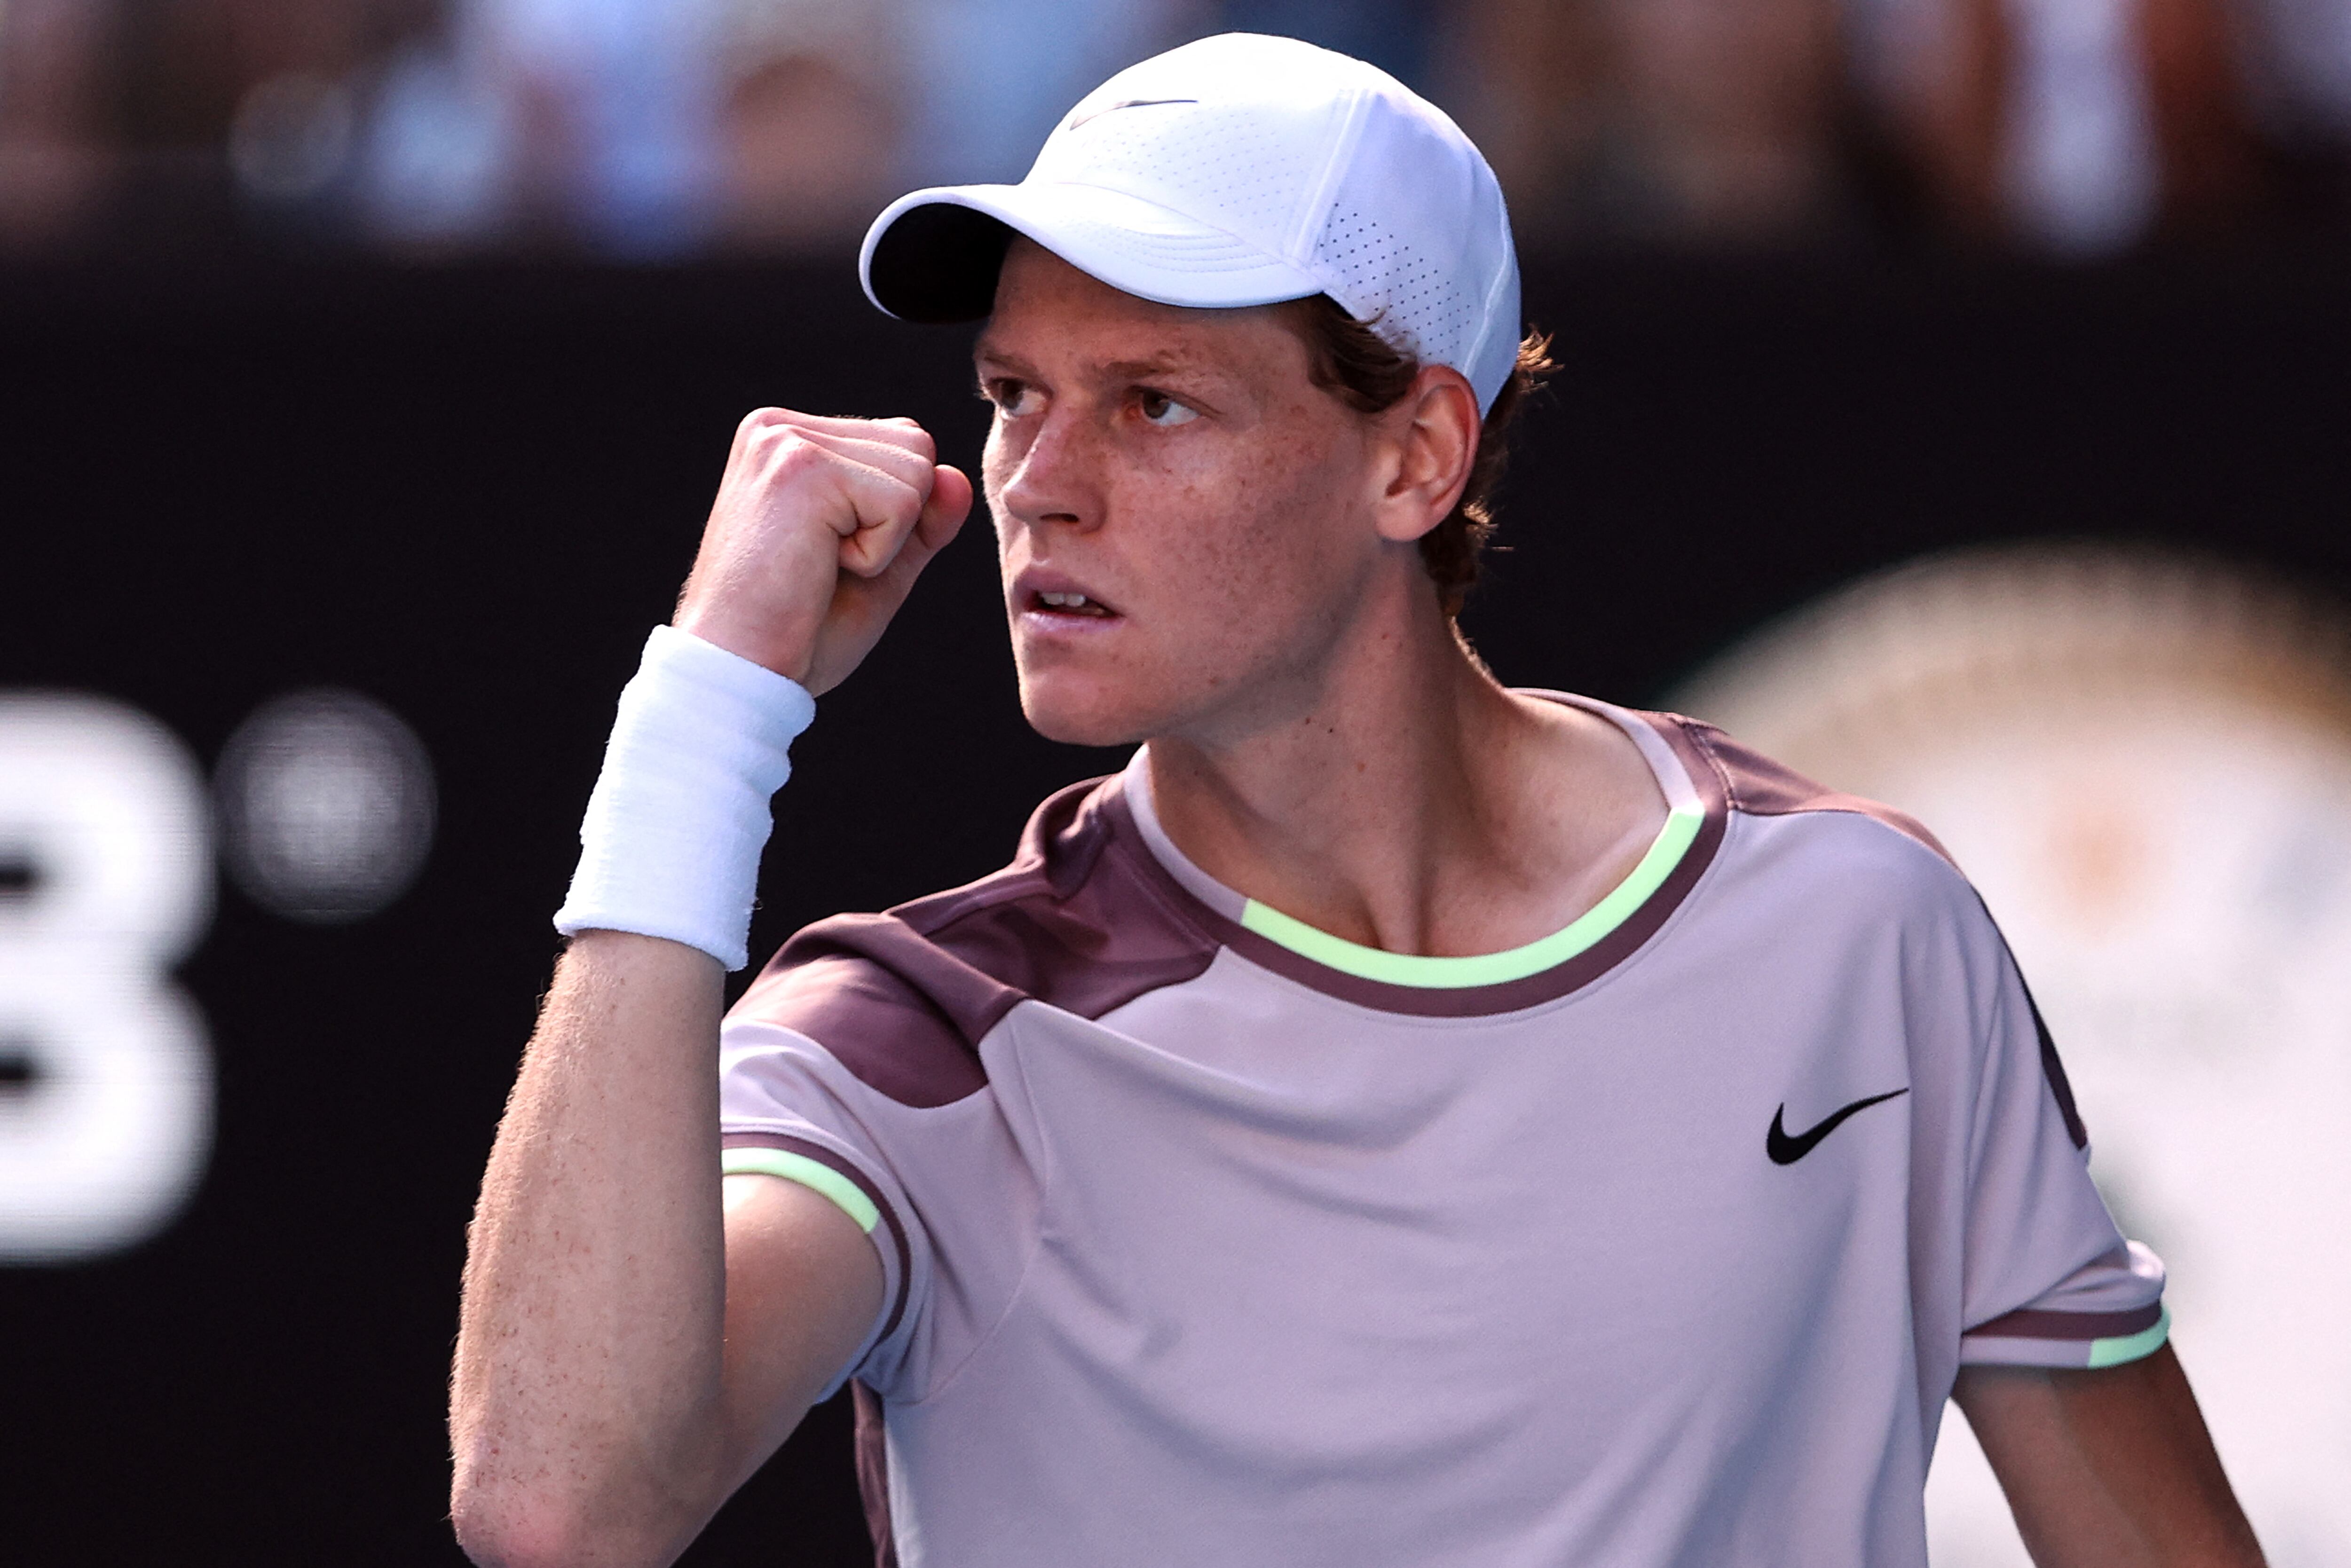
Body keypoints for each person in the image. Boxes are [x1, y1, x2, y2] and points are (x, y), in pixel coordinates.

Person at [448, 32, 2265, 1568]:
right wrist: (706, 708)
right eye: (1014, 396)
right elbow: (560, 1503)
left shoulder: (1862, 932)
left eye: (1154, 404)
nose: (1039, 485)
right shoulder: (921, 1045)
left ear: (1417, 456)